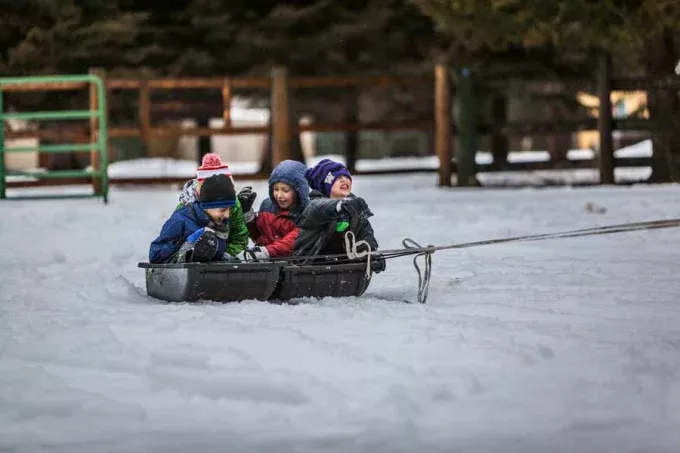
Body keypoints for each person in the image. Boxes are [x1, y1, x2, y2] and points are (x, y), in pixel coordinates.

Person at [293, 159, 385, 273]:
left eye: (346, 176)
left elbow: (366, 234)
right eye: (337, 177)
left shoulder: (353, 207)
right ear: (324, 185)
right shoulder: (314, 206)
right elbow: (319, 208)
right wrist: (339, 205)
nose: (344, 179)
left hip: (343, 265)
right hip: (309, 266)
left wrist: (371, 253)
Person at [149, 174, 237, 264]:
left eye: (229, 209)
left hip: (208, 273)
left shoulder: (221, 224)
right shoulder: (181, 220)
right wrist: (184, 249)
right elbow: (155, 256)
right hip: (179, 271)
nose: (227, 215)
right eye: (223, 210)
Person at [176, 153, 248, 257]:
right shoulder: (186, 206)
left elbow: (240, 236)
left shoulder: (233, 206)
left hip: (224, 254)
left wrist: (227, 254)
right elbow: (174, 240)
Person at [236, 160, 310, 261]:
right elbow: (258, 235)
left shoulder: (307, 213)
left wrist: (264, 252)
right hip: (264, 266)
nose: (279, 195)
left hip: (291, 267)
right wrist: (247, 215)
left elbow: (290, 244)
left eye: (285, 190)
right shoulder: (267, 206)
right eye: (276, 189)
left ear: (299, 191)